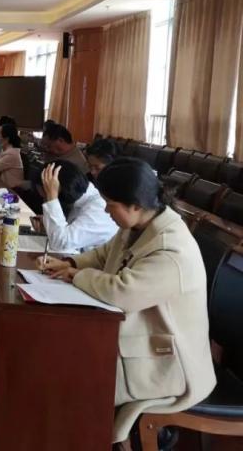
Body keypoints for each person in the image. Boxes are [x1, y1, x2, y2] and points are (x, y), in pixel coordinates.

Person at [38, 158, 216, 445]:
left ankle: (73, 438)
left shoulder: (172, 249)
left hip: (168, 363)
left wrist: (77, 275)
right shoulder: (138, 225)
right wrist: (70, 262)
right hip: (143, 341)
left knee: (75, 377)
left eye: (110, 204)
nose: (105, 211)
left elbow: (122, 293)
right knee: (64, 360)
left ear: (135, 205)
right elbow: (103, 255)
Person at [37, 160, 118, 254]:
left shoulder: (99, 208)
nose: (46, 201)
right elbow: (64, 234)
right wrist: (48, 225)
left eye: (46, 197)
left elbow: (60, 243)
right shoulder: (80, 200)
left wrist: (52, 197)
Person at [0, 124, 24, 188]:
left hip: (12, 190)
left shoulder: (11, 154)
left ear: (7, 138)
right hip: (5, 187)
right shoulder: (6, 151)